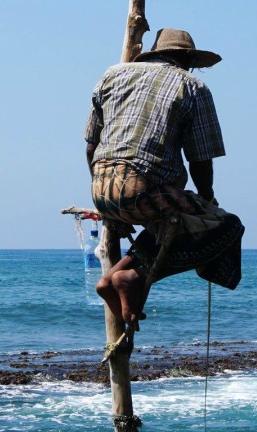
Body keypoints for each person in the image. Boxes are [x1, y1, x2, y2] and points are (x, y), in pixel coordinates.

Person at [85, 28, 245, 331]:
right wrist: (206, 199)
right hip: (143, 189)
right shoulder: (192, 86)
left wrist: (108, 205)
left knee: (164, 223)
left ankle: (114, 277)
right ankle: (134, 275)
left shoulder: (111, 75)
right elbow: (200, 159)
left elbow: (91, 146)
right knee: (229, 227)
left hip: (100, 187)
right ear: (186, 59)